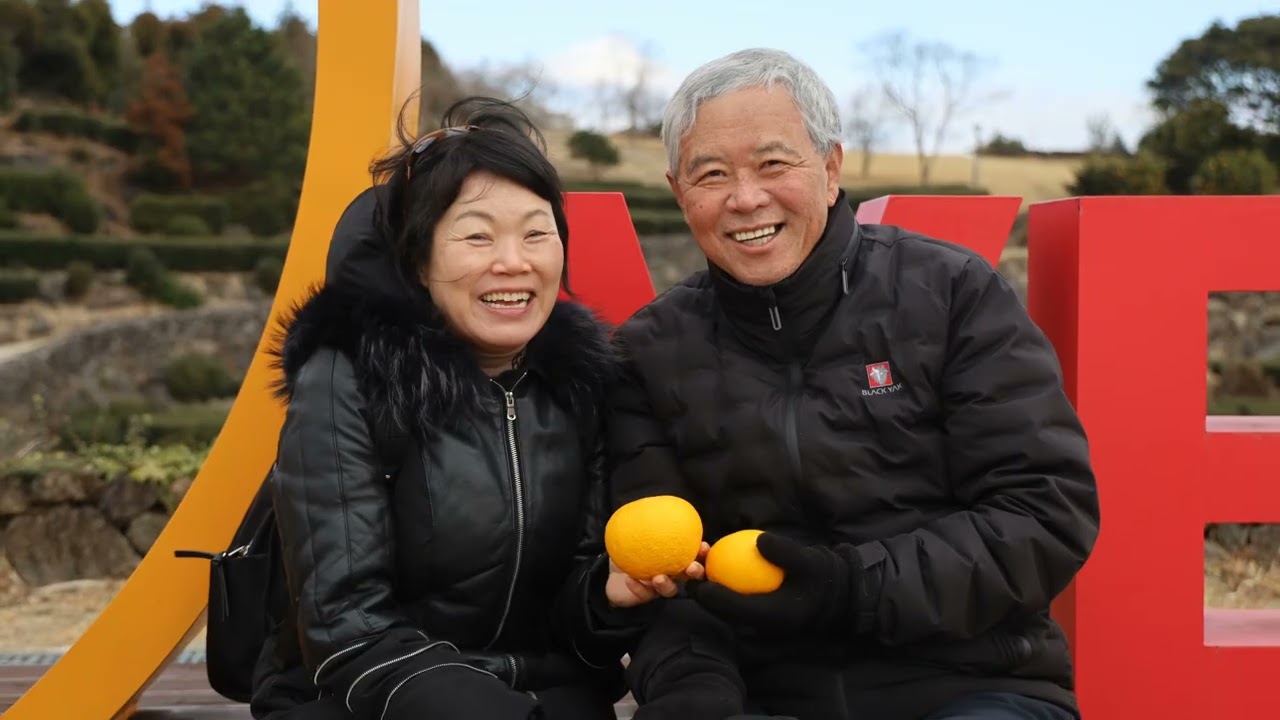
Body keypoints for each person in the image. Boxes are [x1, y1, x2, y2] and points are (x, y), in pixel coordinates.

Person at [606, 49, 1101, 720]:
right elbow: (661, 574)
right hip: (763, 697)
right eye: (712, 174)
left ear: (831, 168)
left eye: (773, 164)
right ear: (678, 192)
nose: (745, 198)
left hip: (973, 686)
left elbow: (1043, 514)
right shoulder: (648, 350)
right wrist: (694, 692)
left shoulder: (952, 294)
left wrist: (849, 588)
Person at [248, 97, 700, 720]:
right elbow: (347, 631)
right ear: (419, 259)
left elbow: (574, 630)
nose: (513, 262)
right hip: (372, 699)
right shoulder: (347, 377)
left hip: (544, 694)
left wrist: (604, 595)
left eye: (537, 233)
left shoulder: (583, 382)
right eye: (477, 236)